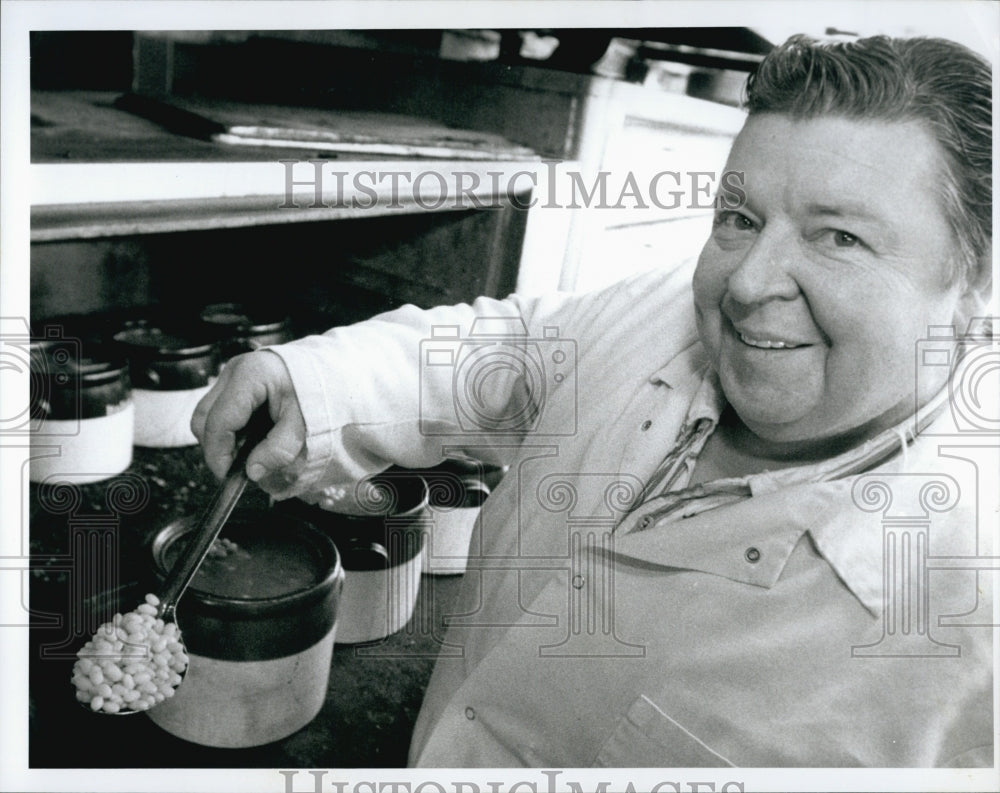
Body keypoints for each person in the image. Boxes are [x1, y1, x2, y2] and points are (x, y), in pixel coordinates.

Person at [191, 34, 995, 767]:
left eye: (839, 236)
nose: (748, 284)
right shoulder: (661, 314)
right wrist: (312, 382)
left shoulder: (963, 633)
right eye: (739, 218)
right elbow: (505, 349)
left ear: (974, 281)